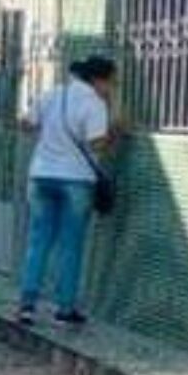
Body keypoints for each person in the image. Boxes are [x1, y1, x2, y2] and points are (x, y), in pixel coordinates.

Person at [17, 56, 118, 328]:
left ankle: (27, 306)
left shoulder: (53, 95)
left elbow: (26, 124)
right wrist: (115, 133)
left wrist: (48, 137)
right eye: (111, 82)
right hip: (76, 180)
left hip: (41, 175)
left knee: (38, 241)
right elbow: (96, 144)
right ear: (98, 80)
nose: (111, 88)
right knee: (70, 245)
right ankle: (64, 309)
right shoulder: (94, 103)